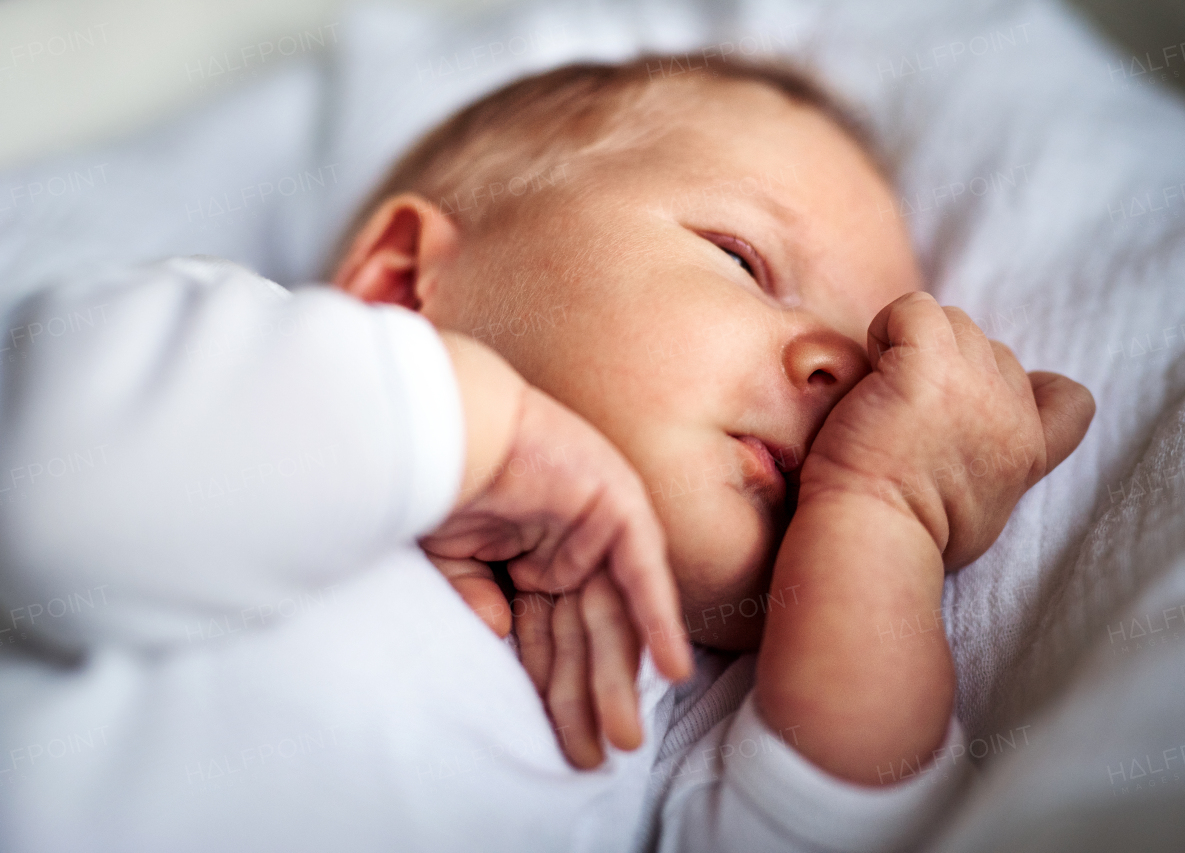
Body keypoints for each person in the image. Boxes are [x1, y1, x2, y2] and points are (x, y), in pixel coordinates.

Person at [0, 55, 1093, 852]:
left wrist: (882, 516)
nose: (831, 369)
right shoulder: (244, 354)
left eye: (862, 378)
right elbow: (51, 508)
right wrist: (478, 428)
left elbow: (834, 822)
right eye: (742, 260)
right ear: (400, 281)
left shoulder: (651, 698)